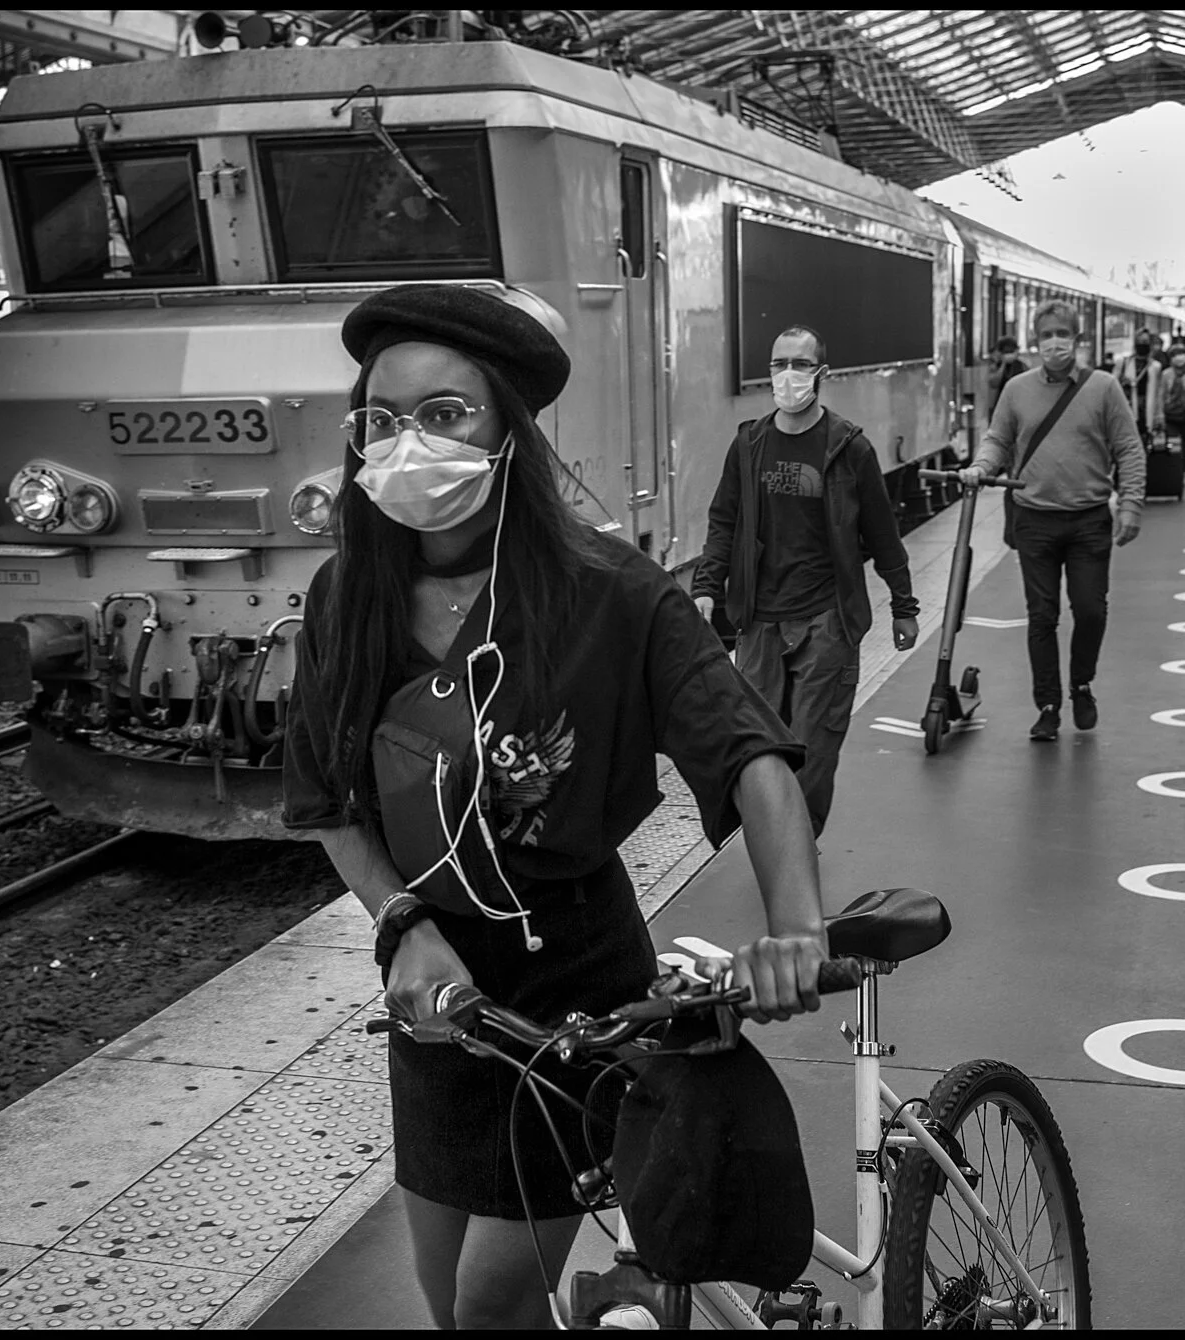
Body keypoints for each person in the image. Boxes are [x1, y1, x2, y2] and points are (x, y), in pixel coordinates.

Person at [282, 284, 829, 1329]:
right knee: (446, 1301)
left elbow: (747, 752)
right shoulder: (344, 597)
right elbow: (326, 801)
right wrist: (401, 926)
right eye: (381, 420)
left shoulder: (606, 588)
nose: (407, 442)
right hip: (436, 996)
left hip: (575, 980)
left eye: (444, 413)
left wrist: (795, 927)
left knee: (492, 1297)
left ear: (506, 433)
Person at [691, 324, 921, 837]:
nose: (787, 375)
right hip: (760, 623)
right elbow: (723, 521)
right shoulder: (749, 444)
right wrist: (707, 587)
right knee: (758, 747)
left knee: (814, 748)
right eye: (778, 365)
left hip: (826, 622)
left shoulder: (848, 448)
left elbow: (882, 535)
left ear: (822, 373)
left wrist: (904, 605)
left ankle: (799, 844)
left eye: (799, 364)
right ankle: (772, 837)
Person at [959, 299, 1145, 741]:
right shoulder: (1017, 390)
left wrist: (1133, 503)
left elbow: (1129, 449)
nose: (1055, 343)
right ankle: (1047, 706)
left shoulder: (1103, 388)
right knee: (1041, 617)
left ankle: (1081, 684)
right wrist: (981, 468)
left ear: (1078, 341)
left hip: (1088, 520)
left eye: (1063, 334)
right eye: (1047, 335)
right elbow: (997, 439)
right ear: (1036, 341)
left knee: (1089, 609)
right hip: (1035, 520)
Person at [1117, 328, 1165, 453]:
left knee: (1142, 447)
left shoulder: (1155, 366)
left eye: (1145, 341)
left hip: (1145, 413)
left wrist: (1159, 416)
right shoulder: (1123, 363)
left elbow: (1158, 393)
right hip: (1126, 410)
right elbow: (1112, 385)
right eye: (1140, 341)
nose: (1142, 344)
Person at [985, 334, 1027, 420]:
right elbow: (994, 383)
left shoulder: (1022, 365)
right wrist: (1003, 364)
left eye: (1011, 352)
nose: (1009, 354)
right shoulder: (996, 366)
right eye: (1006, 352)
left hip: (1020, 403)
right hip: (1001, 403)